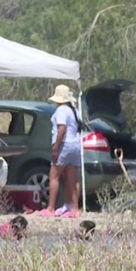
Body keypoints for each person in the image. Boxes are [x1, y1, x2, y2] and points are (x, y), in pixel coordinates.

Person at [36, 84, 81, 219]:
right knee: (71, 178)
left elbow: (62, 129)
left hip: (64, 145)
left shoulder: (61, 110)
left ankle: (50, 208)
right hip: (75, 145)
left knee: (54, 176)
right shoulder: (74, 110)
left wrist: (56, 147)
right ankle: (74, 208)